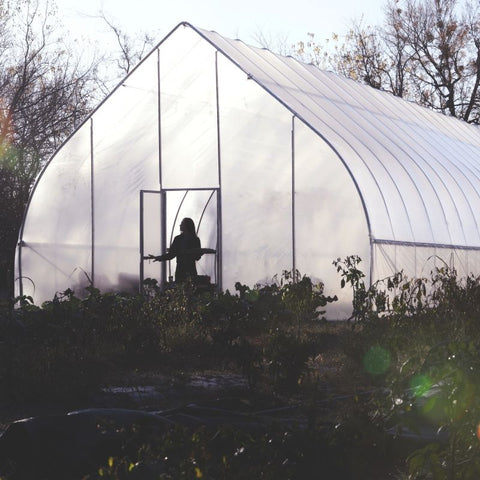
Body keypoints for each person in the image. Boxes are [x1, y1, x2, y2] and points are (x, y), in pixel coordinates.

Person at [151, 217, 202, 282]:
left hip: (180, 270)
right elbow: (197, 257)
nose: (180, 225)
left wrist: (159, 258)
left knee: (180, 289)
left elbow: (171, 254)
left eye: (182, 224)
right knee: (191, 289)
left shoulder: (178, 239)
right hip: (191, 270)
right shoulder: (195, 239)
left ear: (186, 226)